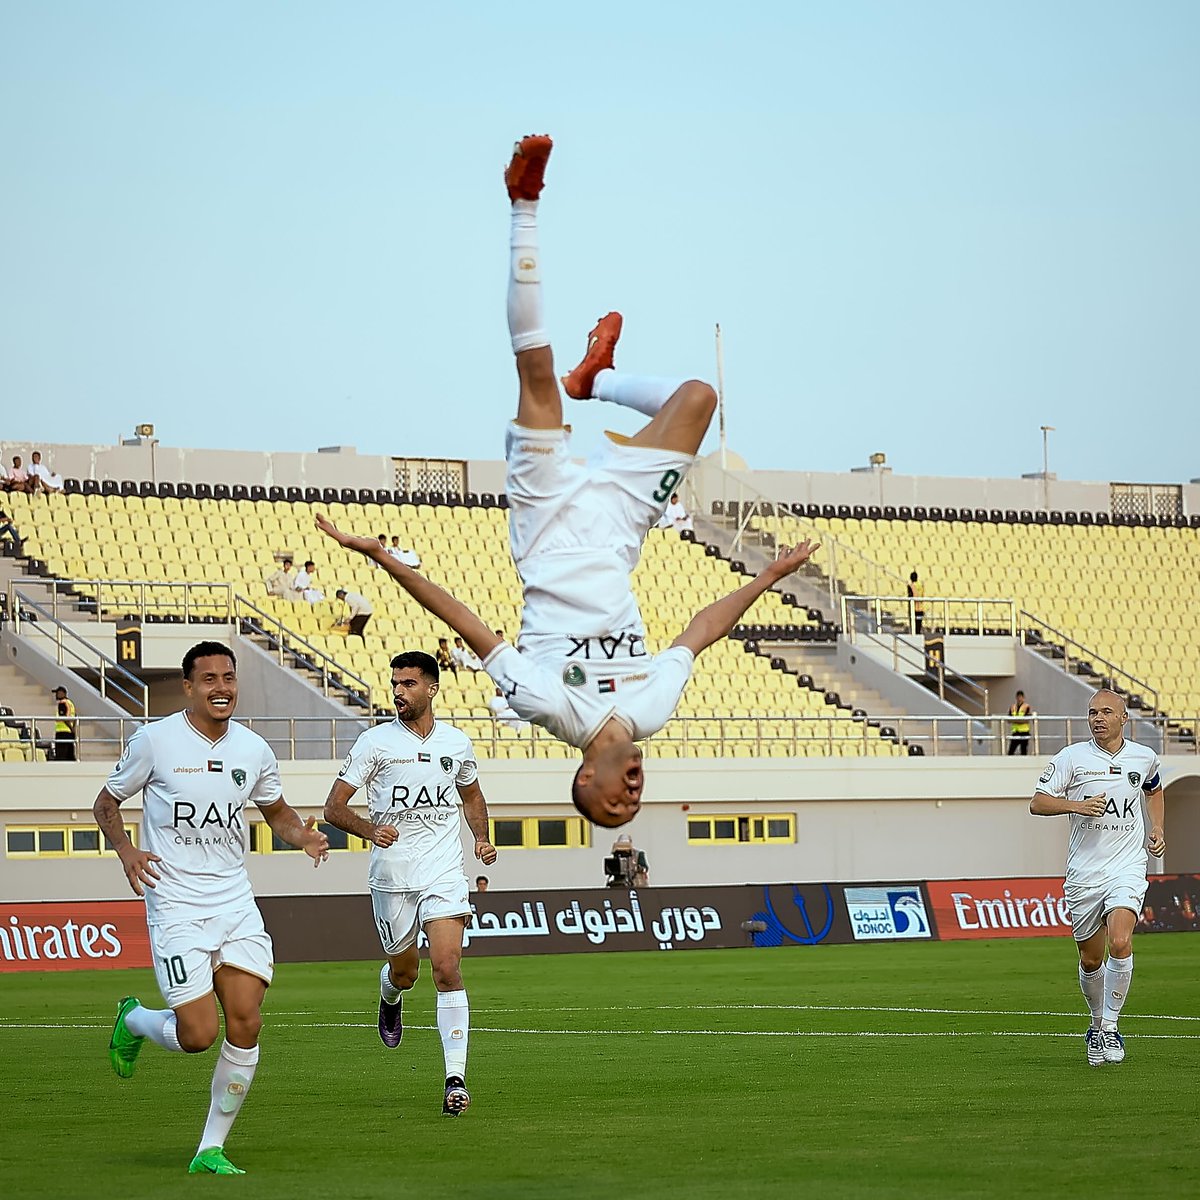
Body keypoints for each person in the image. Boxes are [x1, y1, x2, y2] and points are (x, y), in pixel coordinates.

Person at [317, 133, 819, 829]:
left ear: (587, 773)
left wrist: (383, 558)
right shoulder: (653, 709)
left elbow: (466, 623)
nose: (632, 794)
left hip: (547, 528)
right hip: (619, 532)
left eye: (614, 800)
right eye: (633, 802)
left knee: (537, 379)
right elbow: (699, 631)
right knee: (700, 397)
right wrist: (771, 577)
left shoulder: (548, 706)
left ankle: (523, 203)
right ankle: (602, 380)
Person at [93, 641, 329, 1175]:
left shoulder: (253, 749)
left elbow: (277, 811)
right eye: (209, 680)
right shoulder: (155, 741)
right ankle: (134, 1021)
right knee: (198, 1035)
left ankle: (210, 1149)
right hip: (175, 903)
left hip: (234, 902)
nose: (221, 688)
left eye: (229, 677)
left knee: (246, 1021)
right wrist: (127, 850)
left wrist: (302, 838)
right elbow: (106, 803)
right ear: (189, 687)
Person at [321, 650, 497, 1117]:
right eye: (395, 683)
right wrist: (368, 830)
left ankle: (455, 1080)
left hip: (443, 871)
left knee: (446, 968)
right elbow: (333, 809)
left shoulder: (456, 743)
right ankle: (390, 994)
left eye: (409, 684)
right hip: (392, 875)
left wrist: (480, 838)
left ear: (432, 688)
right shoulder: (375, 743)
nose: (399, 691)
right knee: (407, 971)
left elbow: (472, 794)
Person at [1028, 688, 1165, 1067]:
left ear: (1124, 718)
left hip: (1127, 866)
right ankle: (1094, 1024)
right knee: (1091, 961)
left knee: (1120, 942)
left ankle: (1110, 1026)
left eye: (1106, 712)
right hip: (1084, 873)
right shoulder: (1071, 758)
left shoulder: (1143, 756)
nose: (1098, 718)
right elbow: (1037, 802)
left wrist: (1158, 828)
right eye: (1092, 713)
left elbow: (1153, 789)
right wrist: (1076, 805)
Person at [52, 685, 76, 761]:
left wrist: (71, 728)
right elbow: (75, 717)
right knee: (70, 755)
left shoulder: (62, 703)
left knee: (61, 755)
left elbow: (64, 718)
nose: (56, 695)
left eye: (58, 693)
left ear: (63, 693)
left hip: (62, 732)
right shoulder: (70, 703)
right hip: (69, 733)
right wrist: (73, 729)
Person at [1007, 690, 1033, 755]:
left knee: (1023, 751)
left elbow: (1026, 720)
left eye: (1020, 697)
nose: (1019, 698)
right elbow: (1008, 720)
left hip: (1024, 732)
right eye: (1018, 697)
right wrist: (1019, 720)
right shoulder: (1013, 707)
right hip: (1015, 732)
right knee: (1011, 751)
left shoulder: (1027, 707)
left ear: (1023, 697)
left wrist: (1015, 720)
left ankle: (1024, 765)